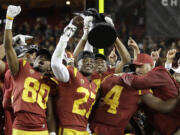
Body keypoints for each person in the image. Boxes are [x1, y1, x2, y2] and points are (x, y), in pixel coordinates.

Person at [4, 5, 57, 135]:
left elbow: (50, 112)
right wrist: (9, 20)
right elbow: (8, 47)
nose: (39, 58)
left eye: (45, 58)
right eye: (38, 55)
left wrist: (52, 133)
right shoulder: (21, 67)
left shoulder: (50, 80)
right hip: (21, 126)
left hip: (42, 128)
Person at [91, 71, 180, 135]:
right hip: (114, 131)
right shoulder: (141, 90)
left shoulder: (109, 79)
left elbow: (92, 103)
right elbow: (164, 107)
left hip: (94, 128)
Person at [51, 17, 97, 135]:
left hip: (83, 130)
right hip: (68, 129)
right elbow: (55, 64)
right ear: (77, 63)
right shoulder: (72, 74)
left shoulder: (93, 85)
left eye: (91, 62)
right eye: (85, 61)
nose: (89, 63)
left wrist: (88, 30)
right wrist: (64, 38)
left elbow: (89, 53)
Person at [121, 53, 180, 135]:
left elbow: (137, 82)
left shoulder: (159, 72)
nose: (137, 70)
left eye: (140, 66)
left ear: (152, 65)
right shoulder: (148, 84)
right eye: (135, 67)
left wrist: (123, 75)